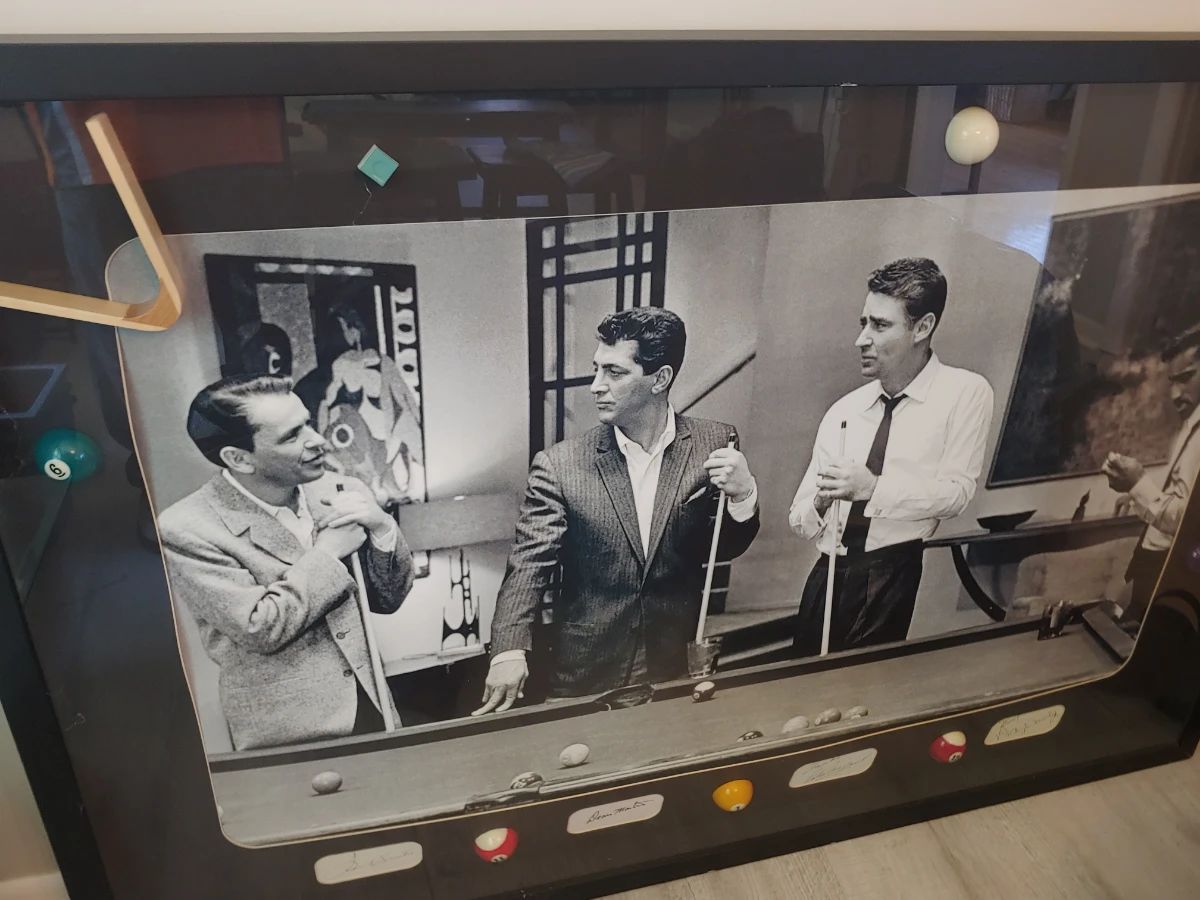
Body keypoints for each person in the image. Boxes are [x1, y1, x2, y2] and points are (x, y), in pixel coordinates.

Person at [474, 307, 760, 713]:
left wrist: (744, 493)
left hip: (674, 669)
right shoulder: (560, 465)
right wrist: (508, 650)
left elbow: (722, 548)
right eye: (596, 369)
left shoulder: (716, 441)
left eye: (615, 372)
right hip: (585, 677)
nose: (596, 386)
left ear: (659, 379)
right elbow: (528, 565)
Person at [157, 375, 416, 750]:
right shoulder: (188, 528)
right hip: (286, 738)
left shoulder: (339, 490)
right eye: (292, 436)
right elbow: (259, 627)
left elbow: (387, 600)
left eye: (308, 422)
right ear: (239, 458)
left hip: (376, 714)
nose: (318, 441)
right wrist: (327, 553)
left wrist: (383, 530)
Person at [790, 258, 994, 655]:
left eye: (880, 325)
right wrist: (819, 500)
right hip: (826, 575)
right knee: (800, 697)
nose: (861, 339)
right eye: (863, 322)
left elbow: (957, 494)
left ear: (923, 327)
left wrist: (873, 489)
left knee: (864, 699)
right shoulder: (844, 410)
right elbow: (800, 522)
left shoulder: (966, 393)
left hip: (893, 573)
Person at [1105, 324, 1200, 632]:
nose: (1174, 394)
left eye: (1185, 378)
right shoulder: (1190, 423)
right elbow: (1180, 492)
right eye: (1171, 381)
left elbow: (1188, 523)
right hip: (1152, 564)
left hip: (1173, 573)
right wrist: (1133, 491)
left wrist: (1137, 484)